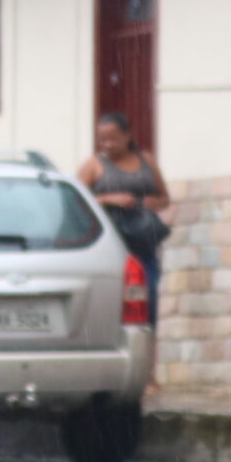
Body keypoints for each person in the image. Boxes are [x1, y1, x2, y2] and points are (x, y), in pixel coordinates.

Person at [80, 111, 170, 326]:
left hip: (142, 241)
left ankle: (145, 342)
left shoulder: (146, 160)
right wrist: (109, 198)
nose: (107, 145)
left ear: (127, 136)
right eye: (102, 140)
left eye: (113, 139)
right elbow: (77, 200)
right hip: (112, 241)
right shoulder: (94, 165)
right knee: (114, 298)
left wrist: (154, 203)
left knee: (148, 294)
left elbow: (165, 198)